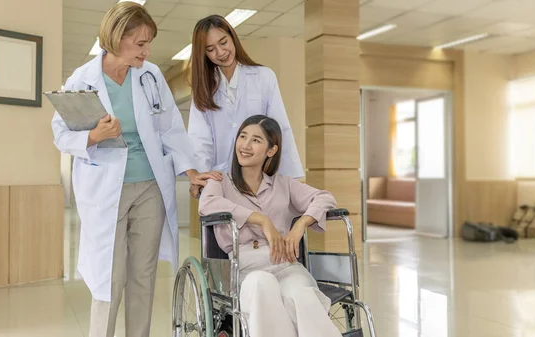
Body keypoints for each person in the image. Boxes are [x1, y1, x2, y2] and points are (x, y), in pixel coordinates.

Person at [51, 3, 220, 337]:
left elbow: (171, 127)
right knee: (109, 278)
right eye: (140, 43)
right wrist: (93, 136)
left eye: (148, 43)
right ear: (116, 39)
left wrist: (190, 171)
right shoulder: (83, 79)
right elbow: (60, 133)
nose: (147, 50)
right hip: (105, 189)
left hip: (149, 187)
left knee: (143, 275)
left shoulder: (151, 75)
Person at [198, 115, 341, 337]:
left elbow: (325, 198)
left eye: (255, 140)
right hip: (245, 269)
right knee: (261, 284)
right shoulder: (220, 182)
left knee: (302, 295)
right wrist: (260, 218)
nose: (245, 145)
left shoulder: (284, 184)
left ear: (271, 151)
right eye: (242, 137)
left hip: (285, 265)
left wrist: (301, 224)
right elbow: (207, 204)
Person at [187, 15, 303, 194]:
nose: (220, 52)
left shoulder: (264, 77)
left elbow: (279, 129)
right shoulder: (202, 88)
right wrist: (200, 177)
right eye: (210, 49)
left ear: (232, 37)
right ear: (204, 54)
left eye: (223, 42)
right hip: (220, 180)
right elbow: (199, 139)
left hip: (259, 178)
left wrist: (291, 180)